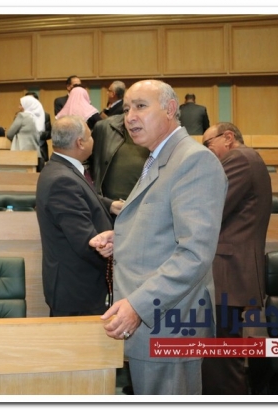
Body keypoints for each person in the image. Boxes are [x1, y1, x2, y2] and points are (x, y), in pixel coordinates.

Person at [89, 79, 227, 395]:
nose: (130, 117)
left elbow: (194, 253)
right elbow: (162, 225)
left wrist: (138, 306)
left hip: (170, 323)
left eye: (140, 106)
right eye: (126, 109)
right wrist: (120, 237)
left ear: (170, 109)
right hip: (157, 323)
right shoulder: (158, 157)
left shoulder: (193, 160)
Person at [200, 122, 272, 395]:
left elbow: (210, 207)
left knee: (222, 362)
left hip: (226, 272)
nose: (206, 151)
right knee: (221, 358)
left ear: (228, 137)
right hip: (229, 272)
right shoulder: (248, 158)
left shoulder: (238, 158)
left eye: (208, 144)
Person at [36, 115, 114, 317]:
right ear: (80, 142)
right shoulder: (62, 180)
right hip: (78, 291)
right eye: (90, 136)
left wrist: (111, 205)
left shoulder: (58, 168)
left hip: (74, 284)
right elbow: (86, 242)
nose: (93, 140)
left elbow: (81, 197)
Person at [90, 113, 149, 202]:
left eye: (140, 106)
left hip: (144, 206)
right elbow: (86, 163)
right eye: (127, 109)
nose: (131, 113)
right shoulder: (105, 128)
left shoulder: (164, 133)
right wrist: (104, 202)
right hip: (106, 206)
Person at [6, 95, 44, 160]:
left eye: (21, 105)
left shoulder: (22, 116)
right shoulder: (38, 118)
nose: (19, 107)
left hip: (21, 152)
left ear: (27, 105)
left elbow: (9, 134)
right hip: (35, 153)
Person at [24, 92, 52, 167]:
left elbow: (50, 133)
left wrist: (38, 135)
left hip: (41, 149)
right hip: (25, 149)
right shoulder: (21, 116)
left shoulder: (45, 115)